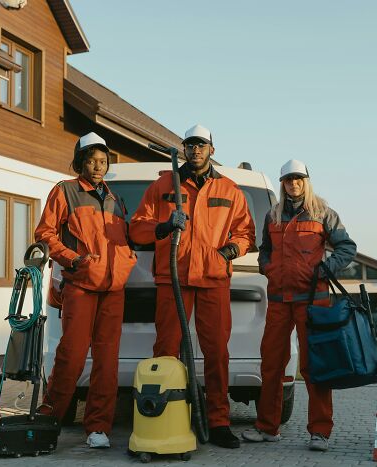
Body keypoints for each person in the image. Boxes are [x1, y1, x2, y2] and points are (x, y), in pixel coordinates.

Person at [129, 124, 255, 449]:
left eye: (201, 145)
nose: (196, 150)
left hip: (213, 278)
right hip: (174, 278)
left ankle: (218, 422)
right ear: (183, 149)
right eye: (190, 145)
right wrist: (164, 226)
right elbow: (138, 229)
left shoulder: (229, 189)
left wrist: (228, 251)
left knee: (216, 352)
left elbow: (245, 233)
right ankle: (169, 416)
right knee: (167, 349)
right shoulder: (163, 185)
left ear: (212, 150)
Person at [242, 159, 357, 451]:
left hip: (312, 300)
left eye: (298, 178)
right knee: (271, 364)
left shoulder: (323, 213)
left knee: (314, 366)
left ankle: (319, 432)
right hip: (280, 300)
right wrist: (268, 268)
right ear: (281, 184)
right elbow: (264, 251)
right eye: (287, 179)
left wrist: (325, 268)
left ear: (306, 180)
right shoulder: (273, 215)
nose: (293, 183)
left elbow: (347, 247)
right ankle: (268, 427)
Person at [34, 132, 137, 449]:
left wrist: (128, 259)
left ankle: (98, 428)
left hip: (113, 289)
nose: (97, 166)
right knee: (71, 356)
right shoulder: (65, 191)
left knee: (107, 362)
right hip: (80, 286)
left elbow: (125, 240)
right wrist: (73, 259)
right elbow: (45, 233)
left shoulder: (115, 199)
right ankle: (48, 421)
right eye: (91, 160)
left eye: (103, 161)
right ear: (80, 161)